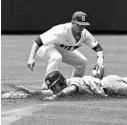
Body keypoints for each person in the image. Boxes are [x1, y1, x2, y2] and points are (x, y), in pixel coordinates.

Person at [27, 11, 104, 81]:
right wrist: (31, 58)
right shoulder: (60, 31)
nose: (82, 27)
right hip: (46, 47)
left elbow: (98, 49)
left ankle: (75, 84)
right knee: (56, 57)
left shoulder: (85, 34)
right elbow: (38, 41)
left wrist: (99, 64)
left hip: (62, 49)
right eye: (79, 25)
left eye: (84, 25)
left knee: (82, 62)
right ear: (72, 23)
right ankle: (47, 85)